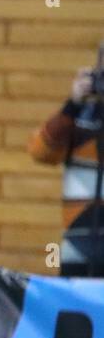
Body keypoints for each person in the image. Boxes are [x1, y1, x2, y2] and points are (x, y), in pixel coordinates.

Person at [28, 63, 104, 276]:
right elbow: (40, 151)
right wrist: (73, 104)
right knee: (76, 306)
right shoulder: (79, 116)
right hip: (78, 242)